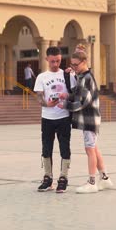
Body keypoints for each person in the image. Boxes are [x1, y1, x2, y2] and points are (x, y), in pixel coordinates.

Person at [58, 50, 113, 194]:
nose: (74, 67)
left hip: (89, 118)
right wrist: (67, 94)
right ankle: (105, 178)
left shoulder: (86, 78)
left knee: (89, 149)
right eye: (72, 64)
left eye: (76, 65)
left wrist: (65, 105)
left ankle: (92, 182)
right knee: (93, 148)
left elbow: (82, 102)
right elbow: (76, 92)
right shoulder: (82, 76)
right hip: (90, 118)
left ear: (84, 62)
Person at [34, 47, 71, 193]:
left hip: (63, 117)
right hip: (47, 118)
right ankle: (47, 178)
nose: (56, 64)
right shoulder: (42, 77)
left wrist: (65, 96)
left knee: (64, 147)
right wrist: (46, 103)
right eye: (53, 61)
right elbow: (39, 96)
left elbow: (74, 93)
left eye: (58, 61)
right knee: (46, 148)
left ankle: (63, 178)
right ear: (47, 59)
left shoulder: (68, 75)